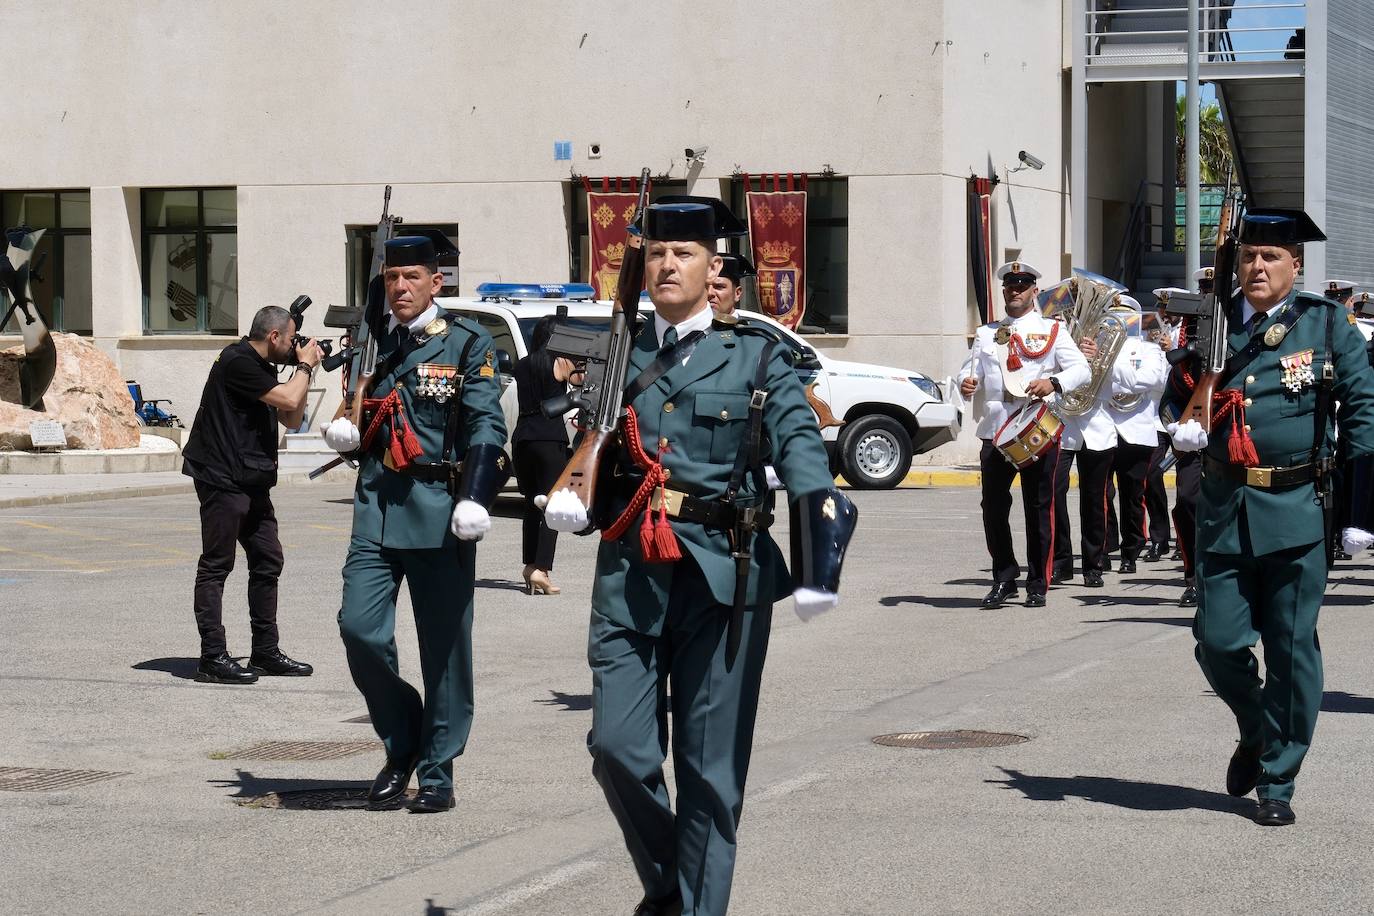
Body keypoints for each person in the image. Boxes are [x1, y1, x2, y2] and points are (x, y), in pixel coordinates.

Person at [543, 197, 854, 915]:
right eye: (654, 253)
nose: (666, 265)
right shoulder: (615, 351)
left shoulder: (757, 354)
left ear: (715, 267)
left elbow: (803, 451)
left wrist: (816, 553)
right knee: (616, 748)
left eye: (682, 254)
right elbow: (581, 443)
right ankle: (673, 889)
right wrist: (570, 480)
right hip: (630, 574)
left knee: (709, 773)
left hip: (724, 574)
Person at [1166, 209, 1374, 827]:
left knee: (1289, 651)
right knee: (1218, 642)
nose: (1258, 267)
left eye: (1271, 257)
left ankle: (1278, 782)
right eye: (1250, 255)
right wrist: (1179, 427)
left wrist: (1361, 510)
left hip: (1296, 509)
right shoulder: (1213, 324)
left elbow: (1363, 413)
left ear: (1295, 265)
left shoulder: (1327, 325)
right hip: (1226, 508)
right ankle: (1256, 729)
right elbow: (1180, 394)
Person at [321, 230, 509, 814]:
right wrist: (344, 432)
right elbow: (359, 411)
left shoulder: (465, 343)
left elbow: (485, 425)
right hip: (377, 507)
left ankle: (437, 768)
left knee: (445, 649)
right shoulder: (370, 339)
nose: (400, 288)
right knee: (360, 630)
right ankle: (403, 741)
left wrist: (477, 494)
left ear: (436, 281)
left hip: (438, 509)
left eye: (411, 278)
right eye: (392, 278)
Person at [181, 305, 322, 684]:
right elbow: (290, 403)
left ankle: (264, 651)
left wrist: (302, 371)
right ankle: (212, 657)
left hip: (252, 477)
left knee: (267, 559)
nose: (295, 345)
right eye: (292, 339)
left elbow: (292, 418)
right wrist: (306, 366)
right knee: (217, 564)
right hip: (222, 475)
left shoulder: (264, 368)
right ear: (274, 336)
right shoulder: (237, 360)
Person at [959, 262, 1090, 608]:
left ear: (1034, 291)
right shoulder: (987, 333)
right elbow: (968, 371)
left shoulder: (1051, 329)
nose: (1014, 291)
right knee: (993, 508)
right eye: (1009, 285)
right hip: (996, 428)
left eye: (1022, 285)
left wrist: (1053, 382)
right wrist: (965, 383)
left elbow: (1082, 369)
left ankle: (1038, 582)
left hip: (1036, 425)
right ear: (1004, 291)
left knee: (1040, 507)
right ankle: (1004, 578)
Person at [511, 316, 578, 594]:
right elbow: (584, 383)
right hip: (549, 438)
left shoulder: (522, 365)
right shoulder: (562, 363)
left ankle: (529, 565)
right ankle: (542, 569)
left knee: (530, 504)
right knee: (552, 506)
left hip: (523, 437)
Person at [1106, 297, 1170, 576]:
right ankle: (1104, 547)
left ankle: (1130, 551)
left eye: (1124, 316)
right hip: (1105, 427)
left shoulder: (1149, 349)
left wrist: (1108, 366)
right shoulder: (1100, 347)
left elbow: (1151, 380)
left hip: (1137, 429)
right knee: (1102, 494)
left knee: (1133, 496)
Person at [1153, 287, 1201, 605]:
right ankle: (1194, 578)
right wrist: (1176, 429)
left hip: (1233, 441)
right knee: (1187, 502)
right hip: (1191, 444)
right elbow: (1169, 401)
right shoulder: (1184, 365)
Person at [706, 252, 755, 318]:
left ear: (737, 293)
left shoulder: (753, 328)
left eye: (719, 287)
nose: (709, 293)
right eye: (704, 287)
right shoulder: (690, 327)